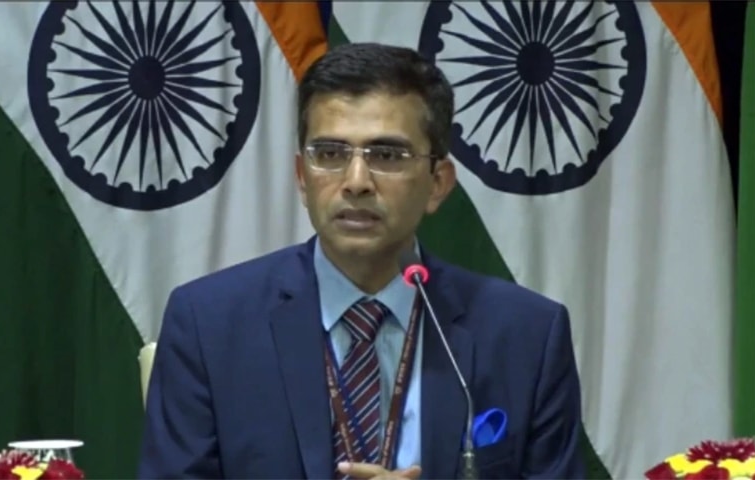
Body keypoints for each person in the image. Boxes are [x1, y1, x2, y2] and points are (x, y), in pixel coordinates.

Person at [138, 42, 585, 480]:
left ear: (437, 183)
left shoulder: (526, 336)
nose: (356, 182)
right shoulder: (208, 325)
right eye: (330, 154)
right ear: (301, 177)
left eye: (386, 155)